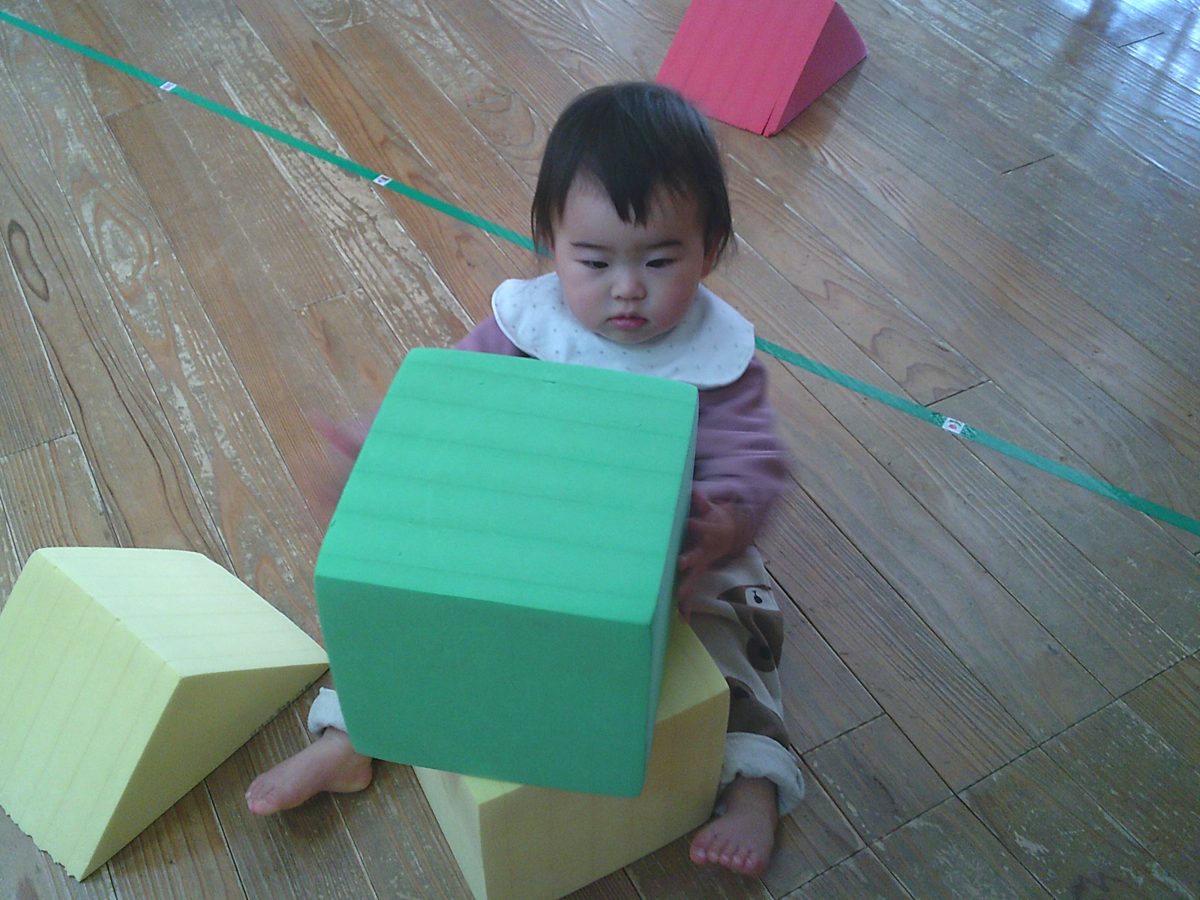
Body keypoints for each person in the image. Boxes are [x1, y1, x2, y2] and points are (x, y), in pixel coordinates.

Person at [246, 82, 804, 878]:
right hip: (528, 530)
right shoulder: (528, 327)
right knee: (412, 603)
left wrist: (726, 517)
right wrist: (376, 452)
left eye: (660, 259)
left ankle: (752, 780)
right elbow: (445, 401)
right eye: (594, 261)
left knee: (734, 629)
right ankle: (355, 735)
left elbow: (756, 458)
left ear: (709, 249)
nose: (627, 288)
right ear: (551, 245)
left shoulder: (716, 360)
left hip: (677, 545)